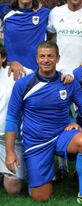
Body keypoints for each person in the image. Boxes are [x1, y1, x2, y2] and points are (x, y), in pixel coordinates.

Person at [5, 41, 82, 204]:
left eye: (50, 56)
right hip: (36, 141)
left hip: (61, 135)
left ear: (58, 58)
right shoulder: (23, 84)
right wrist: (9, 152)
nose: (46, 60)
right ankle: (38, 174)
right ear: (36, 59)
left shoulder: (68, 82)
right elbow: (12, 119)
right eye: (42, 56)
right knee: (41, 196)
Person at [0, 0, 50, 72]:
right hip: (9, 72)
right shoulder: (4, 11)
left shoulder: (46, 13)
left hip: (36, 73)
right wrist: (8, 62)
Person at [0, 44, 31, 195]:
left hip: (8, 140)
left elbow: (44, 75)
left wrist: (66, 76)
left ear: (3, 58)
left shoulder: (15, 73)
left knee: (14, 188)